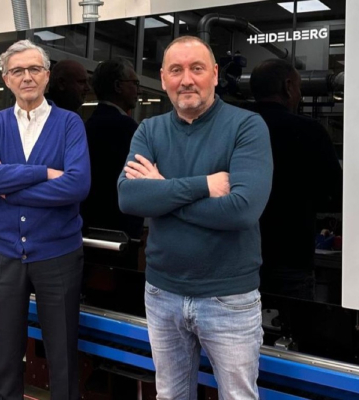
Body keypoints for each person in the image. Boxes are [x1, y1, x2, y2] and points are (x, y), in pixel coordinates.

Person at [117, 36, 272, 399]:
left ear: (214, 74)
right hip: (162, 293)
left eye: (196, 68)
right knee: (170, 395)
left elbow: (242, 210)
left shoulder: (247, 127)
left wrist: (162, 191)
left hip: (229, 298)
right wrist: (204, 185)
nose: (186, 79)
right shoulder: (149, 130)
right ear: (163, 78)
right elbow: (129, 197)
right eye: (176, 70)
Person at [0, 40, 90, 400]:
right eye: (18, 71)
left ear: (47, 76)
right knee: (4, 351)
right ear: (6, 79)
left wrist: (8, 187)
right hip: (3, 253)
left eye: (35, 69)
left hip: (58, 255)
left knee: (63, 351)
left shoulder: (69, 124)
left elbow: (77, 185)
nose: (27, 77)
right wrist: (43, 173)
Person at [250, 59, 343, 300]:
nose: (300, 95)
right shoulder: (309, 131)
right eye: (299, 87)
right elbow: (335, 193)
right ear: (288, 86)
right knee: (292, 321)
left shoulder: (232, 128)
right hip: (291, 258)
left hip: (238, 259)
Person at [80, 58, 144, 239]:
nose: (139, 90)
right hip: (121, 227)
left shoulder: (87, 125)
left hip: (90, 222)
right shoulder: (127, 129)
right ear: (118, 86)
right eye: (135, 83)